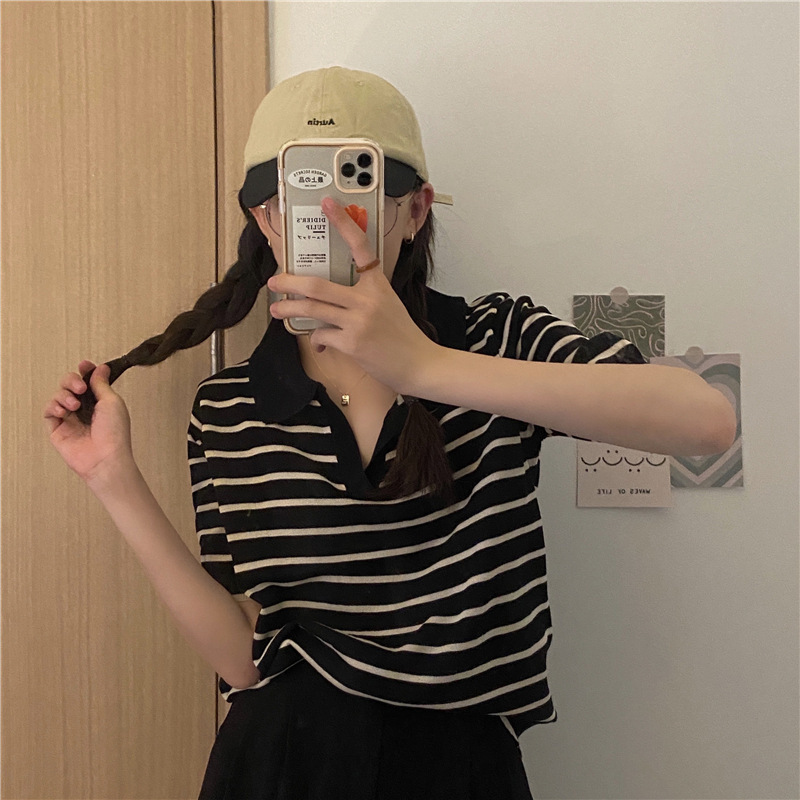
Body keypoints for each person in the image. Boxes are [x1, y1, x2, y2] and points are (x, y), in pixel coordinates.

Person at [44, 66, 736, 800]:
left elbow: (706, 420)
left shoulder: (493, 336)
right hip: (280, 765)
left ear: (414, 211)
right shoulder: (229, 406)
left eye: (356, 194)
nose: (327, 221)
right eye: (296, 201)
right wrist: (113, 479)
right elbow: (245, 661)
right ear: (266, 222)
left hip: (462, 768)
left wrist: (426, 366)